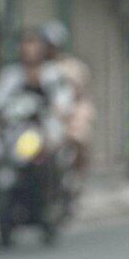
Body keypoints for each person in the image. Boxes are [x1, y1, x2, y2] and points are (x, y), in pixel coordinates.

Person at [39, 21, 94, 175]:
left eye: (52, 46)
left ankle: (77, 174)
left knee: (78, 138)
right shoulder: (39, 68)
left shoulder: (73, 67)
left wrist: (71, 113)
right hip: (44, 113)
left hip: (71, 112)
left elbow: (80, 94)